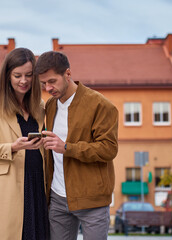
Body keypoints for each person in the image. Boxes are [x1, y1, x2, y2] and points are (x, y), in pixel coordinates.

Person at [35, 51, 118, 240]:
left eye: (52, 81)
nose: (48, 88)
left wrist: (67, 148)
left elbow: (109, 148)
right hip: (57, 198)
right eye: (43, 84)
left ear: (68, 74)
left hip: (92, 199)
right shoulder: (50, 106)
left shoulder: (101, 105)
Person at [0, 48, 48, 240]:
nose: (23, 81)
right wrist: (12, 147)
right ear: (7, 75)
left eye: (28, 75)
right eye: (17, 75)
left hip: (36, 183)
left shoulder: (40, 105)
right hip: (7, 185)